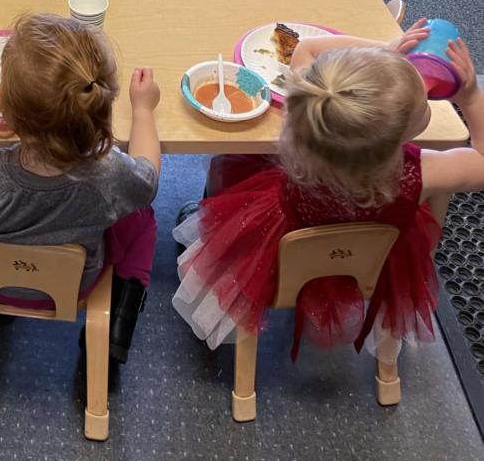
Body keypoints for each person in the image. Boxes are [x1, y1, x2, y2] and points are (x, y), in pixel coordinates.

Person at [172, 21, 484, 363]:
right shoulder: (424, 171)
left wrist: (382, 49)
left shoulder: (309, 111)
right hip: (372, 261)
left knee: (226, 168)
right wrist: (470, 97)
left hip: (285, 247)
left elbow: (307, 49)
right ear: (395, 138)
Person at [0, 13, 160, 363]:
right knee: (146, 217)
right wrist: (143, 111)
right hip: (77, 282)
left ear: (10, 117)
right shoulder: (111, 174)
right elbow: (148, 178)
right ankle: (121, 317)